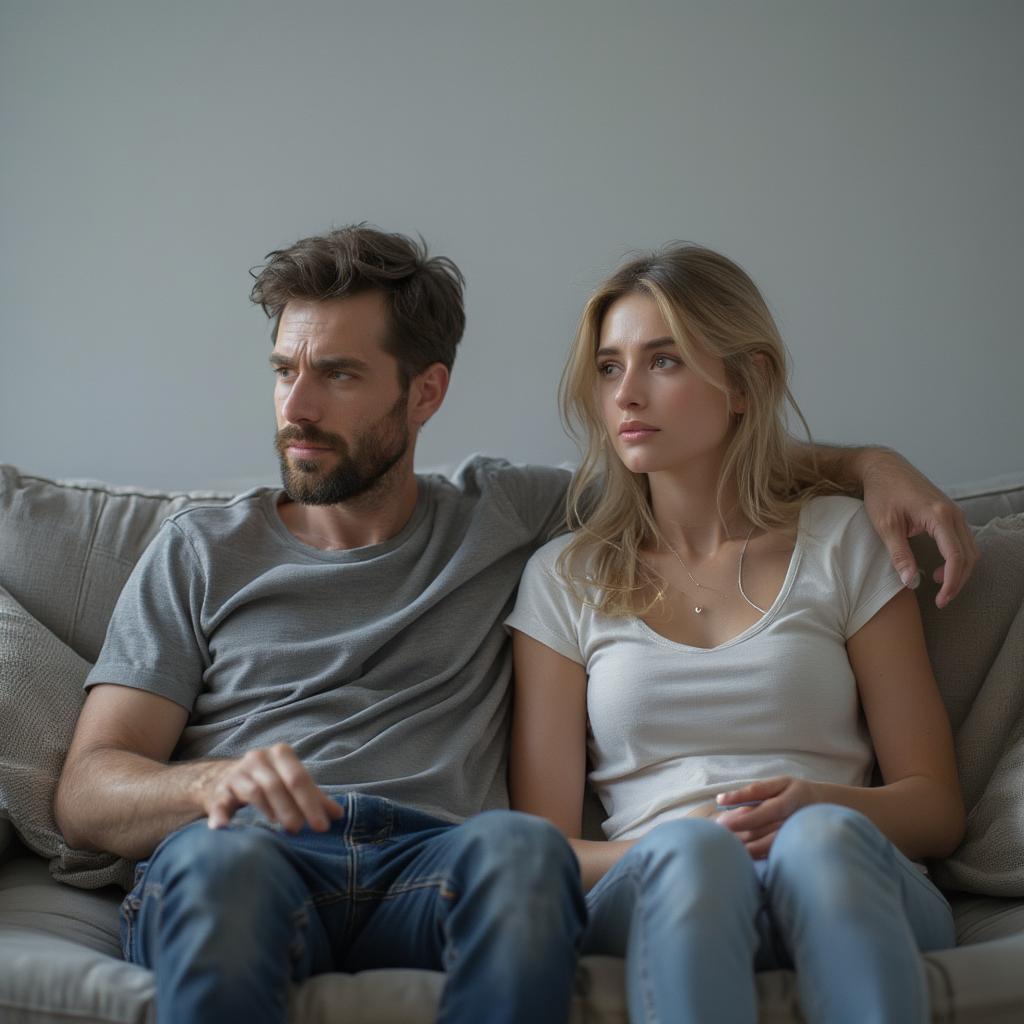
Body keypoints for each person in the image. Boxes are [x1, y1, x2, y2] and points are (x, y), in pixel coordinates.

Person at [54, 226, 972, 1024]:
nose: (296, 407)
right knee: (221, 871)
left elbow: (701, 462)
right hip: (252, 851)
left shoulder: (507, 515)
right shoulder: (200, 551)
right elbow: (87, 793)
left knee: (523, 853)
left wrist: (870, 464)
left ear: (425, 395)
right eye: (285, 371)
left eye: (337, 374)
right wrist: (215, 784)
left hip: (436, 857)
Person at [507, 243, 966, 1024]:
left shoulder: (843, 541)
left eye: (664, 361)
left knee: (822, 842)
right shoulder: (565, 576)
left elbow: (937, 807)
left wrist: (818, 805)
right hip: (658, 883)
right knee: (695, 855)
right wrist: (673, 842)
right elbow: (542, 853)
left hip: (846, 873)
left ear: (746, 382)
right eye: (610, 367)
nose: (627, 395)